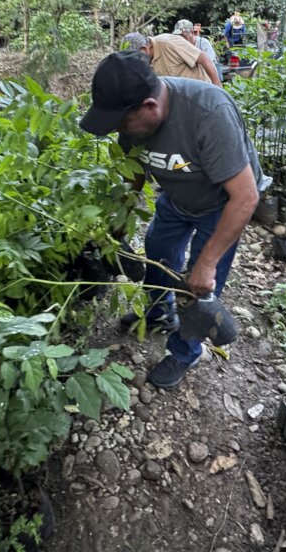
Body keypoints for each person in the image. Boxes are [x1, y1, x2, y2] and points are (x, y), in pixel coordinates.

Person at [80, 51, 266, 388]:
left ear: (150, 107)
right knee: (157, 253)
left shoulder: (209, 113)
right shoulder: (131, 117)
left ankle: (184, 351)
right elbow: (134, 171)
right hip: (177, 198)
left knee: (199, 285)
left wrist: (207, 263)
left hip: (222, 204)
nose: (121, 131)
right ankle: (158, 314)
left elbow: (246, 197)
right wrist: (119, 219)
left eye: (123, 124)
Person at [123, 31, 221, 87]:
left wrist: (218, 88)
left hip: (202, 92)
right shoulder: (147, 62)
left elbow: (204, 58)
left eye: (136, 58)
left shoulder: (168, 43)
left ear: (145, 49)